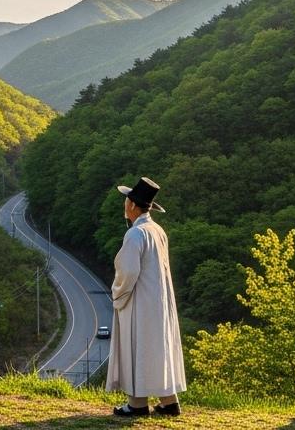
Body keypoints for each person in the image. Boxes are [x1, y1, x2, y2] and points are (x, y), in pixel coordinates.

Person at [106, 176, 187, 417]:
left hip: (140, 301)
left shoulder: (136, 234)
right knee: (157, 348)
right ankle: (168, 400)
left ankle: (137, 404)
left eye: (126, 201)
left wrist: (118, 294)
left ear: (131, 205)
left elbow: (128, 271)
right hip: (159, 302)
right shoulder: (157, 230)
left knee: (137, 347)